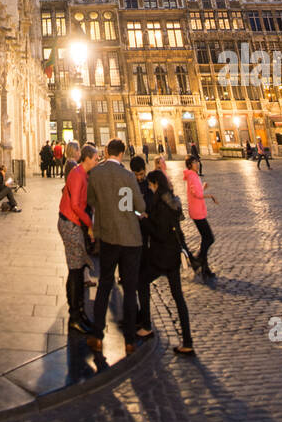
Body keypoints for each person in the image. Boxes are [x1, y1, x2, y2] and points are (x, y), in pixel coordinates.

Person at [85, 139, 146, 356]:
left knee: (104, 285)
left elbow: (91, 199)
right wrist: (126, 207)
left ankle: (97, 335)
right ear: (121, 154)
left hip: (108, 237)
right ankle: (129, 340)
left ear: (106, 152)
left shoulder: (97, 174)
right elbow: (139, 207)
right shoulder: (129, 176)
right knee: (130, 290)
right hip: (130, 239)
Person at [137, 170, 195, 355]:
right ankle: (187, 341)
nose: (149, 187)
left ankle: (146, 325)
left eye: (151, 185)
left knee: (141, 282)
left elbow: (159, 233)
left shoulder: (160, 204)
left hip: (162, 256)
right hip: (173, 256)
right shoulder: (172, 201)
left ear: (155, 184)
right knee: (178, 297)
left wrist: (145, 221)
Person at [58, 143, 99, 334]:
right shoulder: (77, 174)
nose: (97, 161)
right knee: (75, 269)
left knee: (78, 266)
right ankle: (75, 315)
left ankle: (79, 310)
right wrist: (89, 225)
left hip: (74, 222)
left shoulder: (83, 174)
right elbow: (75, 205)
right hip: (70, 223)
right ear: (88, 158)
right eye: (96, 158)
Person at [183, 155, 217, 278]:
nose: (197, 164)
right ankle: (197, 259)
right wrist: (210, 196)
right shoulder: (192, 176)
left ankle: (204, 268)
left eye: (197, 161)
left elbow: (197, 191)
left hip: (199, 211)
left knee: (205, 239)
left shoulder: (194, 175)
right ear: (190, 165)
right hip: (197, 212)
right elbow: (196, 194)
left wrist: (203, 187)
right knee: (209, 238)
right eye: (194, 162)